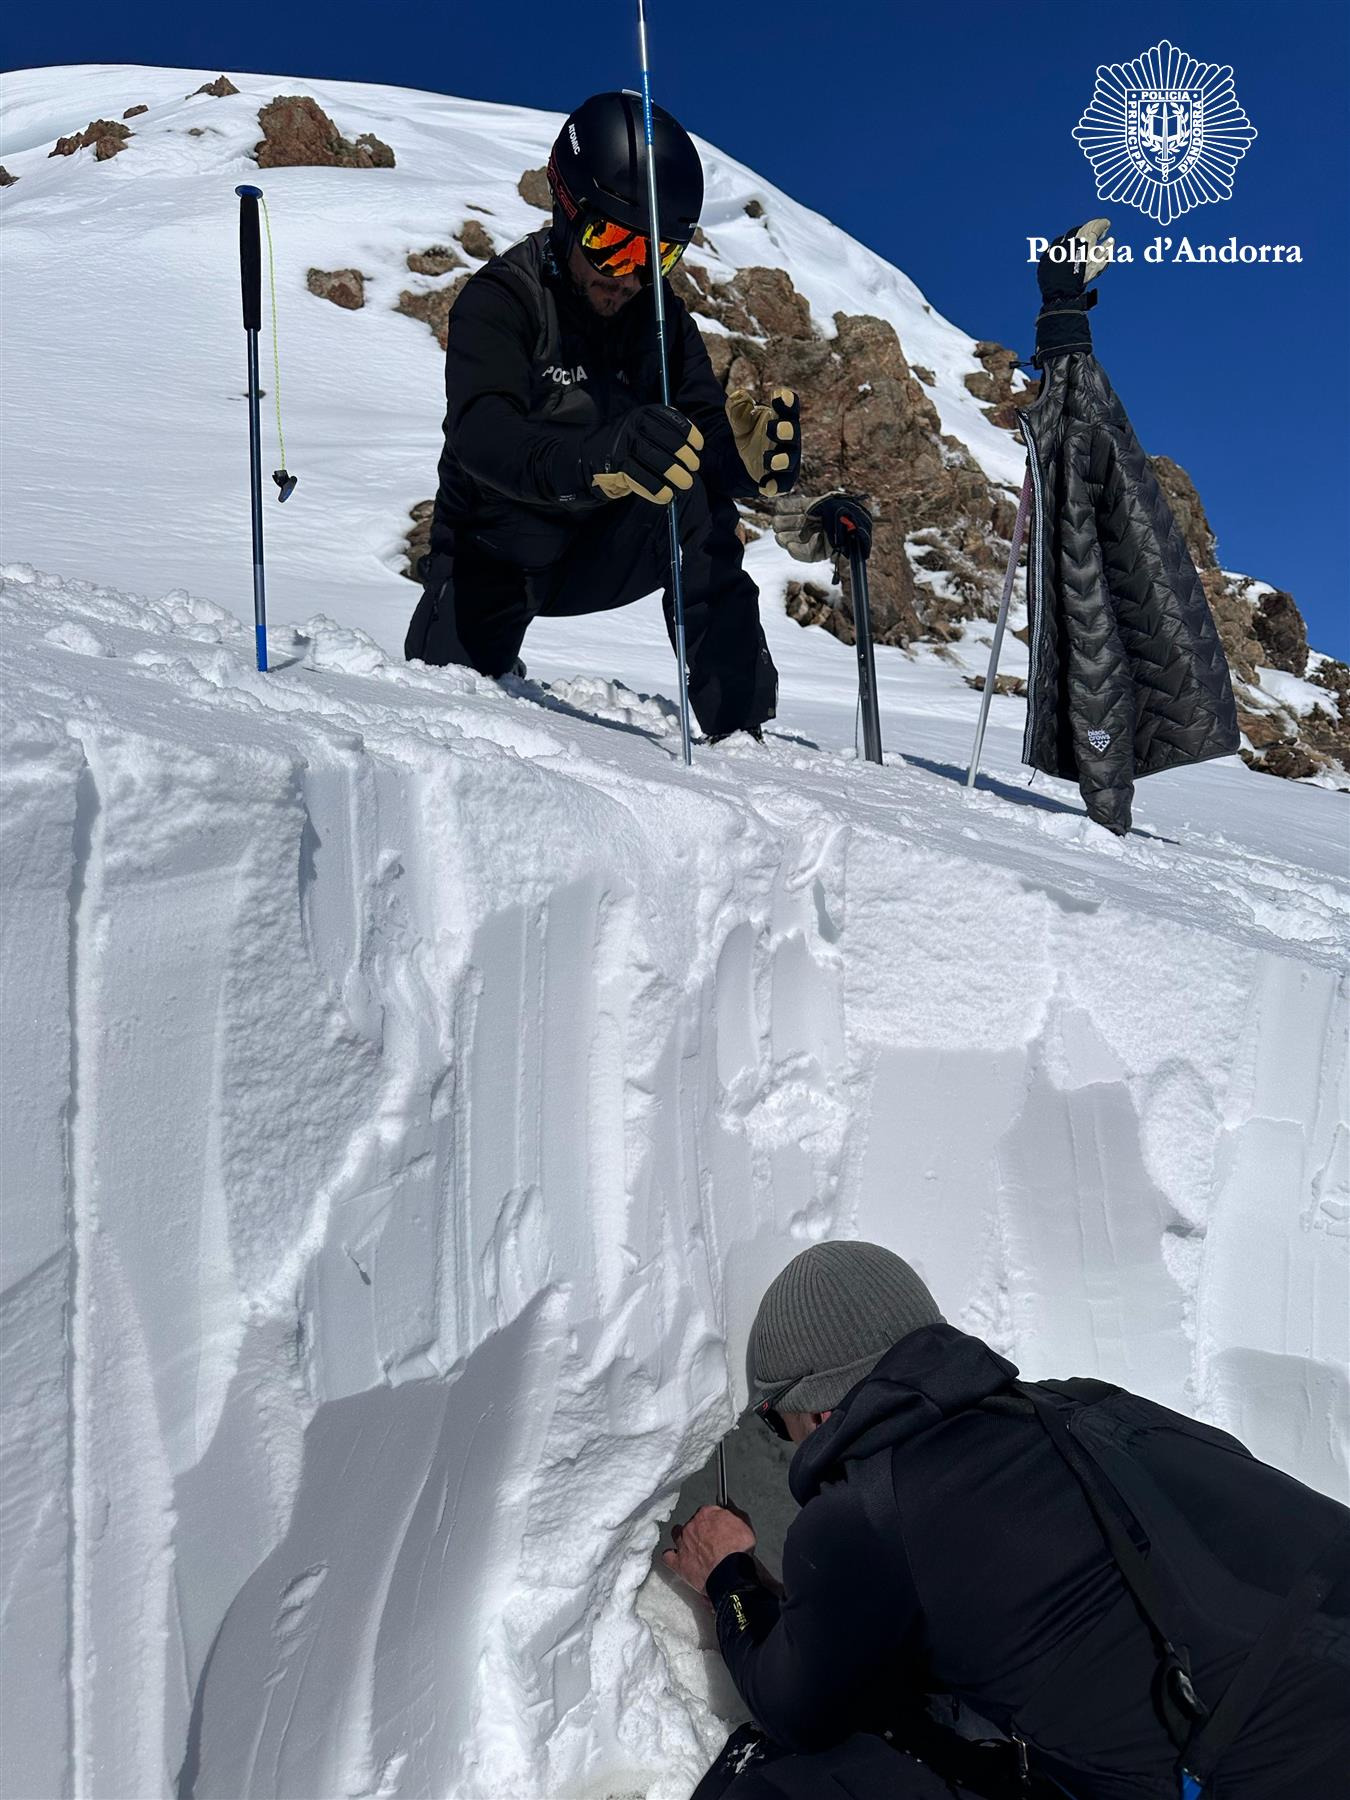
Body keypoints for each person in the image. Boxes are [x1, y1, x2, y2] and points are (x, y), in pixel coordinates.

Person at [664, 1241, 1350, 1798]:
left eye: (778, 1426)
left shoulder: (867, 1512)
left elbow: (797, 1709)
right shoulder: (1080, 1404)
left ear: (818, 1412)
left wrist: (729, 1578)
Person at [404, 91, 800, 742]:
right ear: (565, 208)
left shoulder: (662, 321)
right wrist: (601, 462)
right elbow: (482, 437)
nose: (628, 276)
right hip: (499, 555)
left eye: (657, 256)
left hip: (600, 553)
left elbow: (701, 431)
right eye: (611, 243)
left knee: (694, 491)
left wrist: (744, 459)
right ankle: (459, 665)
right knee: (451, 707)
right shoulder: (502, 300)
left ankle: (741, 726)